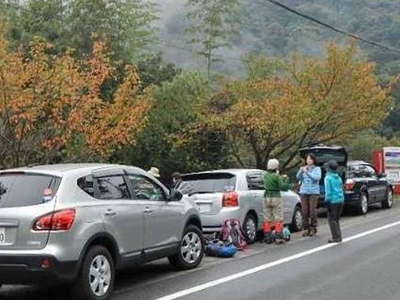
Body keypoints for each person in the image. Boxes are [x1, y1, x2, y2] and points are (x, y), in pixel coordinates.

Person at [263, 159, 291, 244]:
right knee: (278, 217)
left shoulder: (265, 175)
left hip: (266, 197)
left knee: (267, 218)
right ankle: (278, 237)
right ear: (276, 166)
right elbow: (283, 187)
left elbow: (271, 180)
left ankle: (267, 238)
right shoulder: (276, 176)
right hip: (276, 196)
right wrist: (286, 179)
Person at [296, 153, 321, 237]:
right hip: (304, 192)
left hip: (313, 192)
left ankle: (313, 227)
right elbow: (298, 177)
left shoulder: (317, 169)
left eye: (310, 159)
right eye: (307, 159)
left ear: (313, 160)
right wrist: (301, 170)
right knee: (304, 211)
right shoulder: (304, 168)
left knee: (312, 211)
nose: (308, 160)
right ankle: (306, 228)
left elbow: (316, 178)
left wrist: (307, 172)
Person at [324, 160, 344, 243]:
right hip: (341, 200)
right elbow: (341, 188)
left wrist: (326, 201)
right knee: (336, 219)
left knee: (332, 220)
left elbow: (328, 191)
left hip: (332, 201)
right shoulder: (338, 177)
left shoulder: (328, 178)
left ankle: (336, 237)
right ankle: (338, 235)